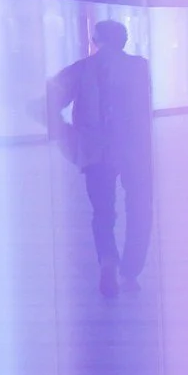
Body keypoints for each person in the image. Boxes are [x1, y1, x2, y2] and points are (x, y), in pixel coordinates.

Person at [49, 19, 155, 297]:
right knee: (139, 207)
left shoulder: (81, 69)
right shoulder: (139, 67)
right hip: (134, 149)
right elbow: (144, 110)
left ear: (95, 41)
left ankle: (108, 260)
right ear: (124, 39)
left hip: (95, 150)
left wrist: (66, 133)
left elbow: (48, 100)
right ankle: (132, 267)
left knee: (103, 212)